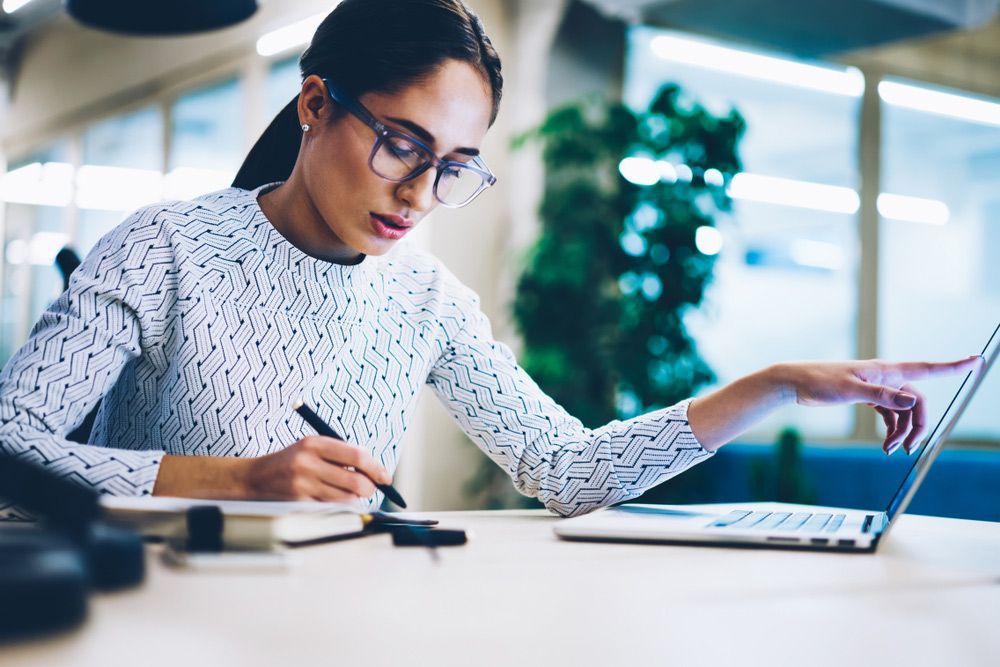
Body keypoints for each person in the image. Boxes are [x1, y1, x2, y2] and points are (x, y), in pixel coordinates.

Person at [0, 0, 980, 520]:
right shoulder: (166, 248)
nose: (421, 194)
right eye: (402, 145)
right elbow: (12, 438)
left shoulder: (425, 298)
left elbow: (564, 466)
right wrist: (237, 480)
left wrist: (769, 386)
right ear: (314, 106)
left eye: (455, 167)